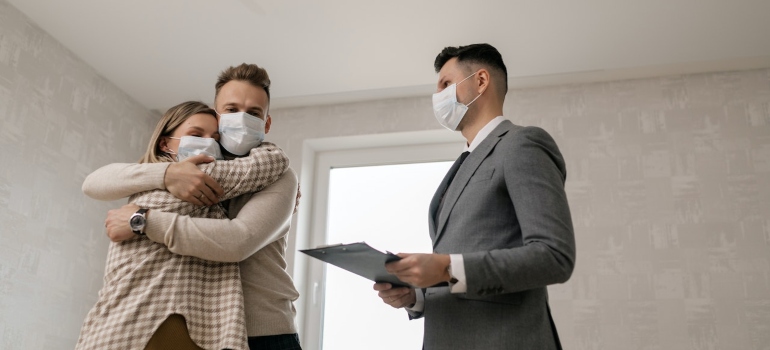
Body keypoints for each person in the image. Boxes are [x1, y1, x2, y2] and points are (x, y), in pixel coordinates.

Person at [81, 64, 302, 350]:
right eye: (231, 109)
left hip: (264, 330)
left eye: (254, 113)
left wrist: (144, 221)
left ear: (266, 123)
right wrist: (167, 174)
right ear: (217, 114)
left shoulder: (278, 174)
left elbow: (238, 240)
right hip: (205, 326)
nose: (241, 119)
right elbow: (95, 182)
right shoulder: (192, 163)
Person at [373, 43, 576, 349]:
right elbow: (458, 267)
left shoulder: (522, 144)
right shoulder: (463, 163)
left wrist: (445, 268)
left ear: (481, 81)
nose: (438, 96)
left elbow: (554, 256)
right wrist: (415, 296)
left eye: (446, 84)